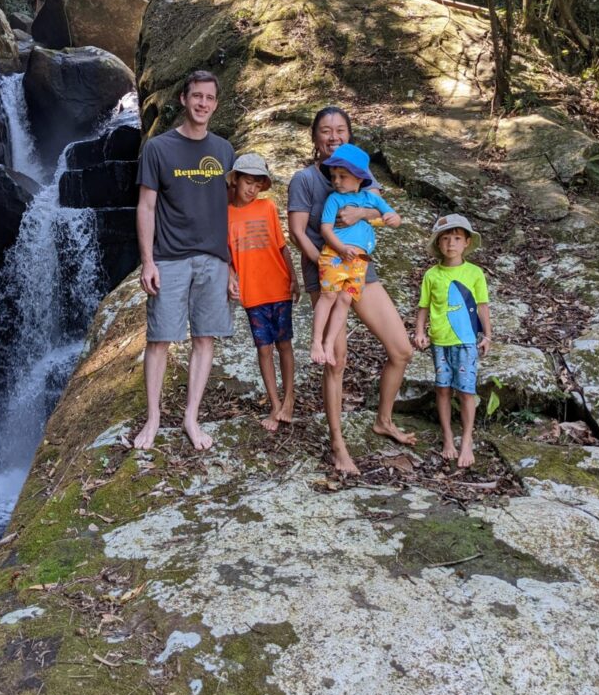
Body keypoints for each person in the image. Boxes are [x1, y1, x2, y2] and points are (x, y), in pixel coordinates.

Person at [288, 107, 415, 475]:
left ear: (349, 134)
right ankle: (338, 443)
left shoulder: (362, 174)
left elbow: (380, 209)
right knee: (336, 358)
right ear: (315, 138)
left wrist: (361, 216)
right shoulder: (306, 180)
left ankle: (384, 420)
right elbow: (298, 232)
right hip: (327, 273)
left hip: (362, 270)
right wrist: (327, 264)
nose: (333, 136)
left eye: (340, 129)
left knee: (401, 349)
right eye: (325, 131)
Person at [134, 70, 235, 451]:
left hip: (213, 259)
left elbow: (232, 211)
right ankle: (154, 418)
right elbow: (146, 206)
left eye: (209, 98)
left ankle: (192, 418)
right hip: (170, 258)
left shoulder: (224, 151)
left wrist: (232, 267)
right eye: (196, 96)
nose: (203, 104)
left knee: (204, 338)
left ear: (216, 104)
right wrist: (148, 261)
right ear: (183, 100)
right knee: (160, 339)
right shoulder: (158, 149)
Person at [227, 153, 300, 432]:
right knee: (264, 349)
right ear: (235, 179)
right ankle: (274, 403)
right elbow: (226, 255)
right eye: (248, 182)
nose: (252, 190)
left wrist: (293, 279)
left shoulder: (268, 207)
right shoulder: (226, 214)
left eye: (257, 185)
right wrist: (231, 277)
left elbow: (282, 246)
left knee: (284, 344)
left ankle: (289, 398)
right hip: (252, 292)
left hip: (278, 286)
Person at [310, 143, 400, 367]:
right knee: (329, 295)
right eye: (334, 176)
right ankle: (316, 342)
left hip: (359, 262)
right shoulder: (334, 199)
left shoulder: (371, 199)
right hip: (335, 255)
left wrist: (391, 218)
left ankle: (330, 342)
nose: (337, 181)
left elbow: (392, 215)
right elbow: (326, 229)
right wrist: (340, 248)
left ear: (360, 178)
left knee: (345, 299)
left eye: (343, 176)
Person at [414, 213, 492, 468]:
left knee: (466, 391)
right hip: (440, 341)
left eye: (456, 238)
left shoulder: (475, 273)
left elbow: (482, 306)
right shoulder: (431, 275)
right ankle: (448, 437)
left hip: (467, 341)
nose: (451, 244)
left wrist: (488, 336)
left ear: (466, 242)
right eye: (445, 239)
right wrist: (420, 332)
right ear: (438, 243)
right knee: (443, 388)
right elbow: (423, 307)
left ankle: (467, 439)